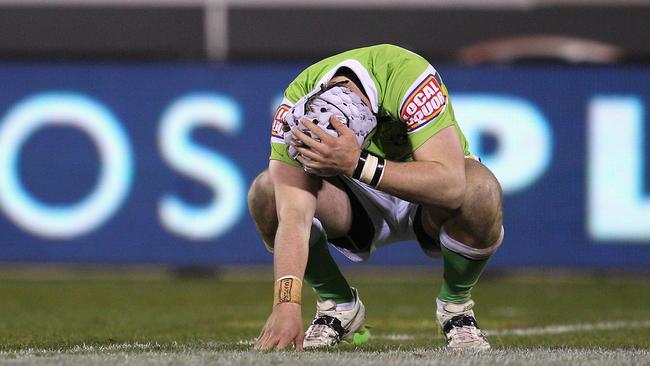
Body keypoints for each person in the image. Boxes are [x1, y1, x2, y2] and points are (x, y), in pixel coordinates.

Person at [249, 44, 504, 351]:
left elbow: (451, 186)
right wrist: (286, 303)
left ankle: (456, 308)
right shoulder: (295, 103)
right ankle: (337, 303)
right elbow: (292, 215)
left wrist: (356, 163)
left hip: (424, 192)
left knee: (481, 190)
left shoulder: (407, 75)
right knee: (266, 192)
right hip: (353, 200)